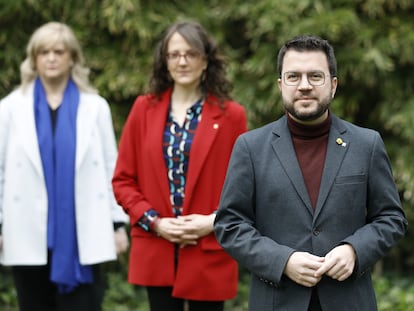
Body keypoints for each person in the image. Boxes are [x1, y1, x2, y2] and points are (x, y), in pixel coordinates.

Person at [214, 34, 408, 311]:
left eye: (315, 76)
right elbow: (230, 225)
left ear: (334, 84)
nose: (304, 86)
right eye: (293, 77)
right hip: (276, 301)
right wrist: (282, 261)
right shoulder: (250, 147)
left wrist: (355, 249)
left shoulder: (367, 144)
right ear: (281, 85)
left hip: (349, 301)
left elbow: (391, 218)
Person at [112, 20, 248, 311]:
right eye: (174, 54)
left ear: (206, 61)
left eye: (191, 53)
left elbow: (246, 186)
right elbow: (123, 181)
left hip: (209, 247)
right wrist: (155, 222)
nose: (182, 61)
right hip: (155, 246)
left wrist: (211, 222)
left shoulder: (232, 116)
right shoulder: (142, 109)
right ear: (165, 61)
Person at [0, 22, 129, 311]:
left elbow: (112, 167)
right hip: (26, 230)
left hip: (84, 233)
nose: (51, 58)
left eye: (59, 51)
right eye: (43, 51)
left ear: (72, 57)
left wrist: (117, 224)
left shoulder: (95, 106)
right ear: (33, 59)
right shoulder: (9, 108)